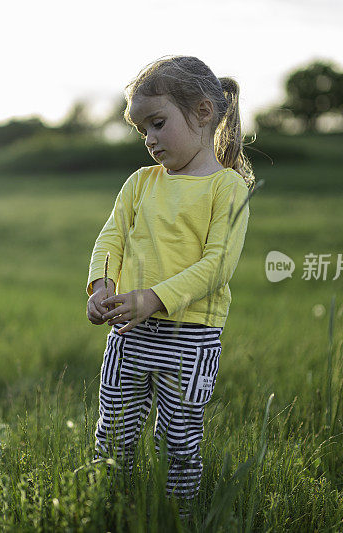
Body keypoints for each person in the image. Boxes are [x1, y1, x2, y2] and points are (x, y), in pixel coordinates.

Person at [85, 55, 255, 511]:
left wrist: (154, 298)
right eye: (143, 131)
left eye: (158, 123)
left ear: (203, 112)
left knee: (177, 444)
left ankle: (176, 516)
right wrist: (101, 285)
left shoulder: (227, 189)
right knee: (113, 433)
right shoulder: (141, 183)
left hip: (191, 337)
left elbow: (218, 265)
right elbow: (111, 237)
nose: (150, 140)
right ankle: (108, 508)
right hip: (129, 332)